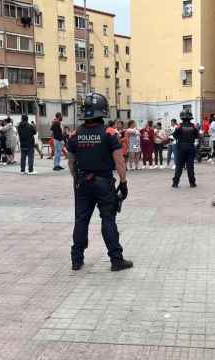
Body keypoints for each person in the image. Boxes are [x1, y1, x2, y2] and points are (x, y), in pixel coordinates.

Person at [66, 93, 133, 272]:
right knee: (108, 220)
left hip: (82, 183)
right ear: (103, 111)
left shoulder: (74, 135)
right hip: (104, 183)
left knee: (81, 220)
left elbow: (71, 162)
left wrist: (76, 180)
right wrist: (124, 182)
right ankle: (116, 260)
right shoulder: (110, 133)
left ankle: (76, 259)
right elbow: (119, 161)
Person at [172, 109, 199, 188]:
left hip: (181, 147)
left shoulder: (179, 126)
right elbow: (197, 136)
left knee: (179, 166)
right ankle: (192, 183)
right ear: (190, 118)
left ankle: (175, 183)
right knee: (190, 166)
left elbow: (174, 135)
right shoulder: (193, 126)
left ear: (182, 117)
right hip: (191, 147)